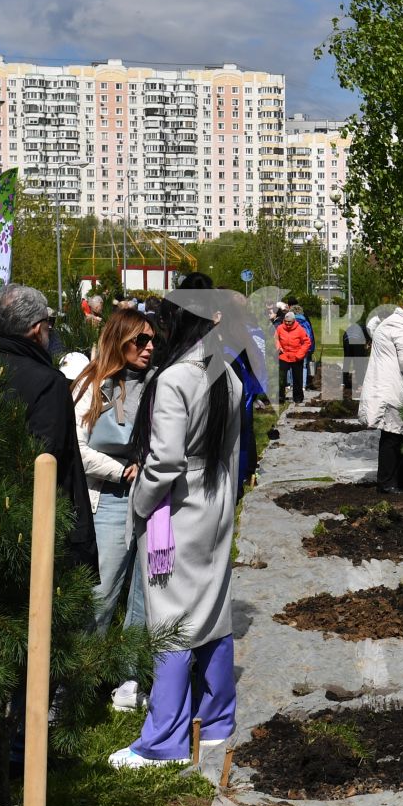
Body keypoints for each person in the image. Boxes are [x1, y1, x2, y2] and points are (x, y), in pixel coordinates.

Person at [109, 287, 246, 768]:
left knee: (170, 619)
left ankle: (163, 738)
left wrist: (141, 504)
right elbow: (231, 453)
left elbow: (164, 461)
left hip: (175, 509)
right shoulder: (226, 374)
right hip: (215, 503)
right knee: (211, 612)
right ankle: (216, 721)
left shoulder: (173, 380)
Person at [73, 309, 156, 711]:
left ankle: (129, 679)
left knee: (145, 591)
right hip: (108, 496)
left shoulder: (155, 384)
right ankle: (80, 680)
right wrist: (121, 470)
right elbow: (78, 448)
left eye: (152, 340)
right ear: (119, 341)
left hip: (151, 495)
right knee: (103, 592)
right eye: (140, 341)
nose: (149, 348)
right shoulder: (92, 384)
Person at [0, 284, 96, 568]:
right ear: (38, 329)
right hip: (38, 528)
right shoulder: (48, 382)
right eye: (49, 326)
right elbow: (48, 459)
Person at [358, 297, 403, 493]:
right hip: (394, 389)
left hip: (394, 386)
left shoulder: (397, 323)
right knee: (393, 436)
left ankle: (400, 479)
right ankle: (387, 483)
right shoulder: (402, 327)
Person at [275, 307, 311, 405]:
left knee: (297, 379)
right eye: (285, 321)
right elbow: (275, 339)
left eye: (289, 322)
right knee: (281, 378)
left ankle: (298, 397)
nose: (287, 323)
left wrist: (300, 354)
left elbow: (307, 342)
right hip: (283, 356)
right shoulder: (279, 328)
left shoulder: (300, 329)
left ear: (294, 321)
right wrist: (278, 347)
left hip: (296, 357)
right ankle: (280, 397)